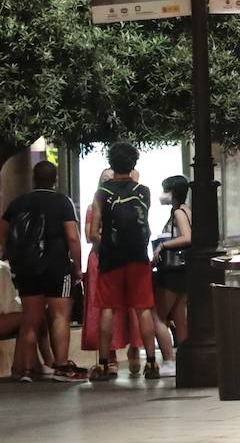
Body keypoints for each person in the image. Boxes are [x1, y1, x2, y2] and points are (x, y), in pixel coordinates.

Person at [0, 160, 85, 381]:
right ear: (55, 180)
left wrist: (8, 254)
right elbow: (73, 237)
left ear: (33, 179)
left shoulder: (18, 203)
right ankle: (61, 366)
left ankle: (27, 370)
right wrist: (77, 267)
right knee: (60, 316)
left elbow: (2, 232)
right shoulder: (62, 202)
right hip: (57, 266)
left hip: (27, 268)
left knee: (30, 319)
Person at [88, 143, 159, 381]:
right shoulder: (144, 191)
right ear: (133, 164)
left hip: (111, 257)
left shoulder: (102, 193)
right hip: (138, 256)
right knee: (143, 309)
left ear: (111, 163)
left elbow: (92, 232)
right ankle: (151, 363)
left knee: (108, 308)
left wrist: (101, 248)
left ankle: (104, 364)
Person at [83, 168, 142, 374]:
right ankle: (110, 357)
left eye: (112, 178)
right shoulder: (95, 206)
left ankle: (133, 349)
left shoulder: (123, 204)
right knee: (107, 308)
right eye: (105, 180)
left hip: (116, 258)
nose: (110, 182)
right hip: (102, 259)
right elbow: (90, 235)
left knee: (127, 307)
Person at [151, 175, 191, 365]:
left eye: (165, 190)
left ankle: (168, 360)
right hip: (183, 272)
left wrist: (164, 246)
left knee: (158, 317)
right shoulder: (186, 210)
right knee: (179, 316)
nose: (162, 195)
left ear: (173, 193)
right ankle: (185, 361)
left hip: (172, 273)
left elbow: (187, 237)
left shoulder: (178, 213)